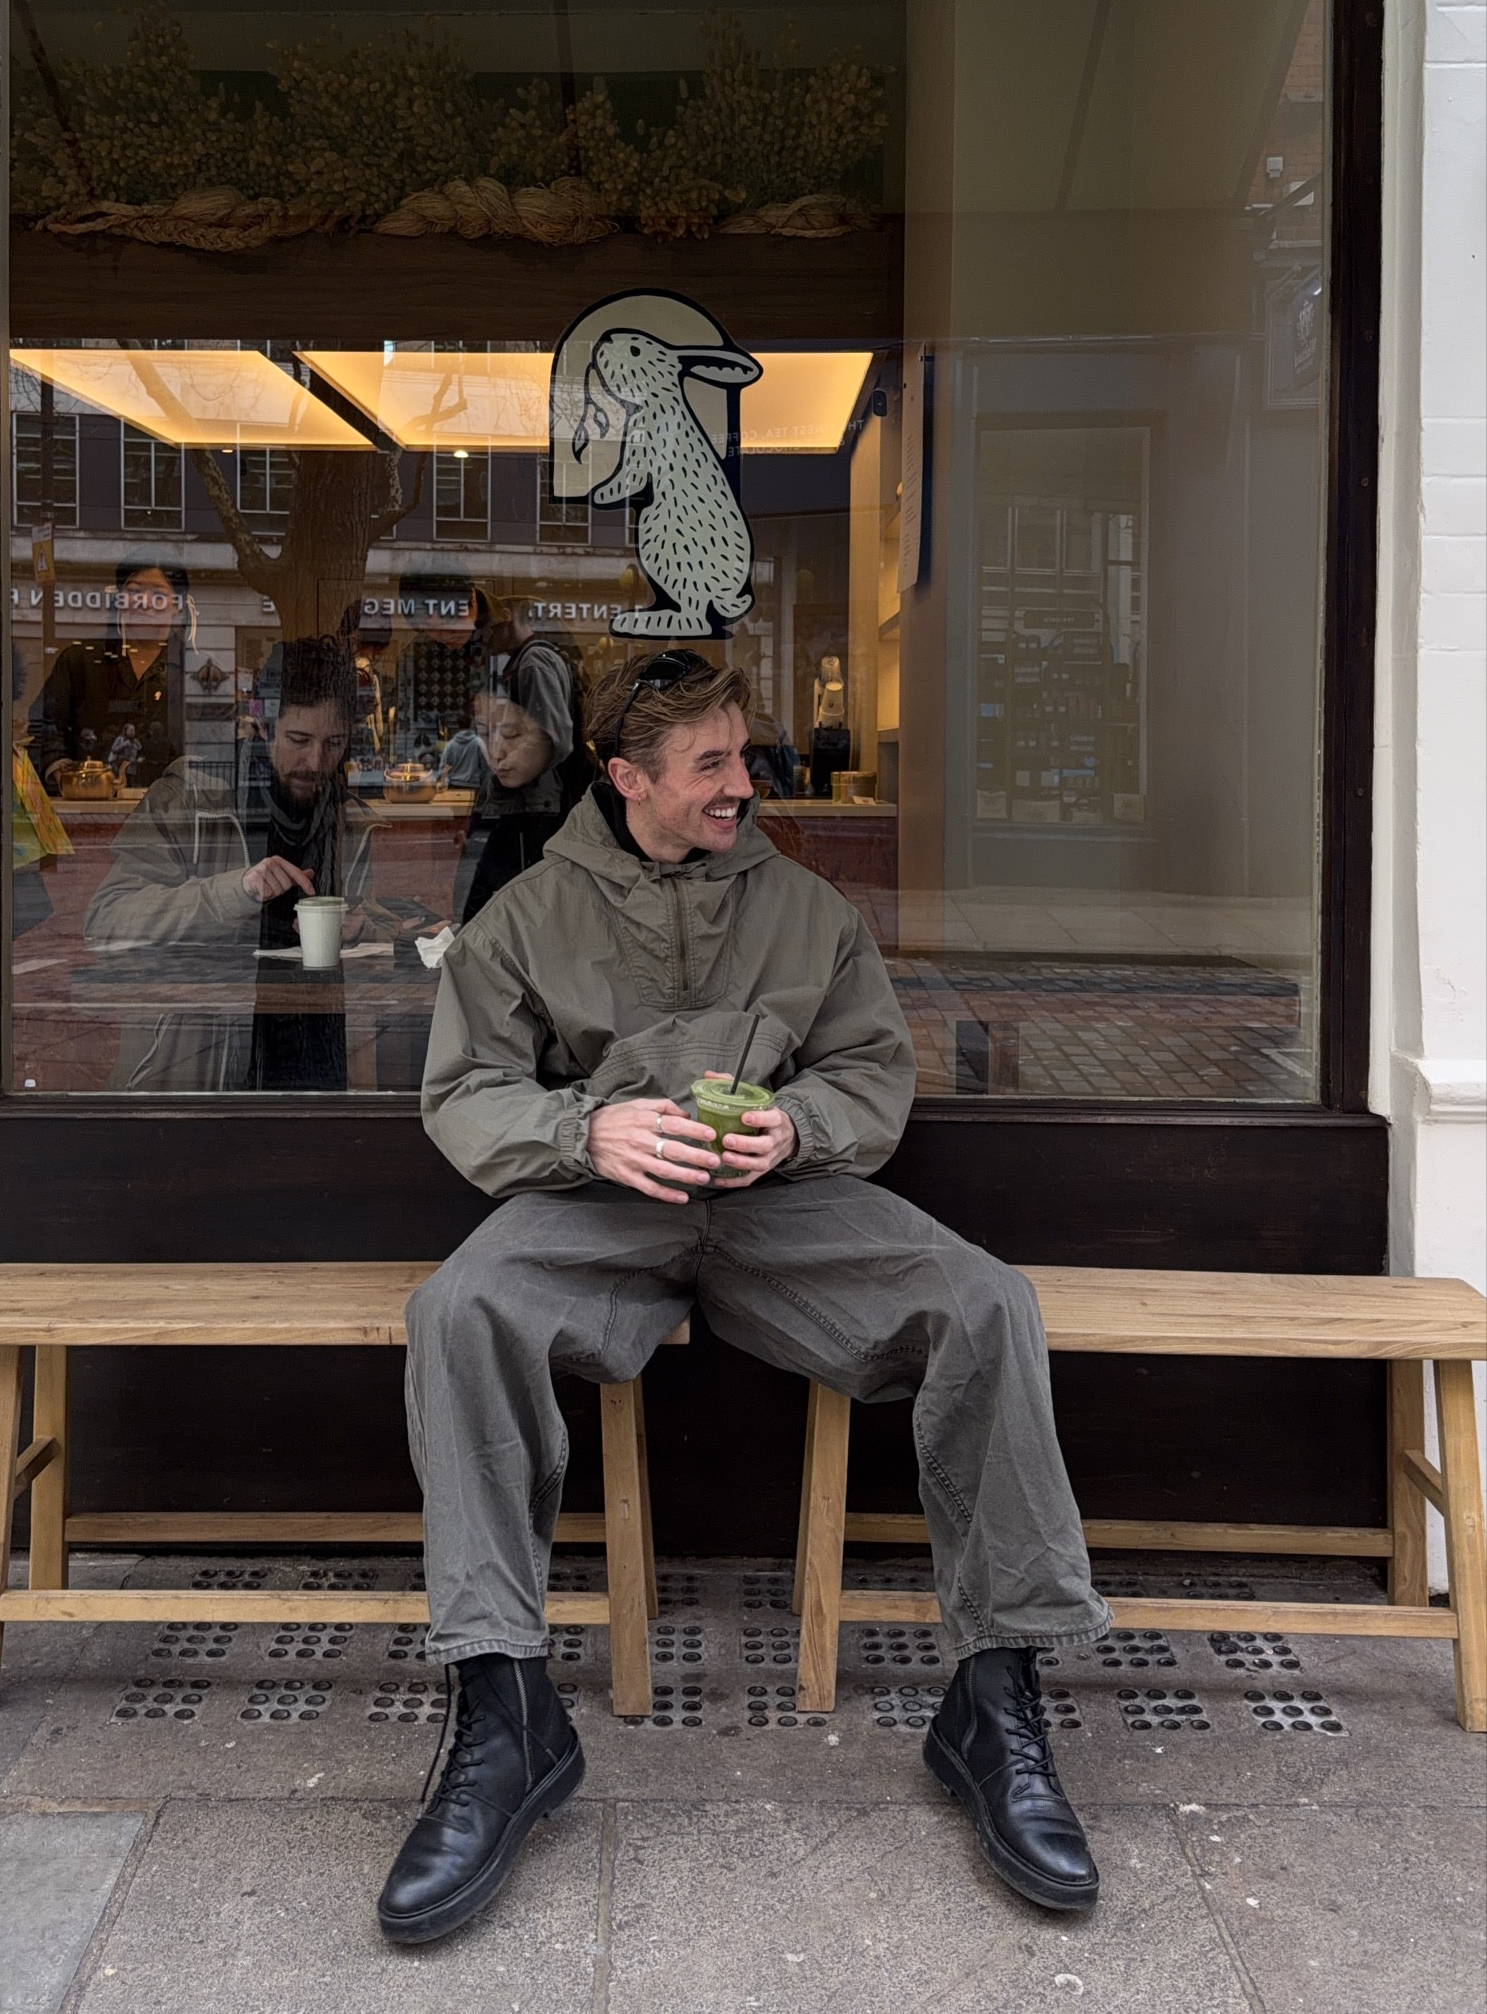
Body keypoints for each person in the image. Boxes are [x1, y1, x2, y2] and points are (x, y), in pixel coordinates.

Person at [379, 649, 1111, 1945]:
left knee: (983, 1300)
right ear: (625, 779)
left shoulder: (804, 909)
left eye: (742, 754)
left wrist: (794, 1123)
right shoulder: (530, 915)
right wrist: (584, 1136)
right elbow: (467, 1090)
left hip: (782, 1208)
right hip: (600, 1208)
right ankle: (501, 1712)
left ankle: (995, 1698)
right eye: (709, 764)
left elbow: (873, 1074)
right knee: (457, 1310)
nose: (742, 782)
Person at [85, 637, 392, 1091]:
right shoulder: (188, 797)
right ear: (263, 723)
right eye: (298, 740)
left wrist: (364, 928)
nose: (315, 761)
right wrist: (237, 891)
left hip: (315, 1059)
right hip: (197, 1068)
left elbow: (389, 934)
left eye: (334, 743)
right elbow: (105, 922)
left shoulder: (353, 824)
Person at [455, 598, 591, 922]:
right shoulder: (530, 659)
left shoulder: (534, 662)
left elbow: (552, 736)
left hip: (536, 805)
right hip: (533, 802)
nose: (483, 637)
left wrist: (509, 766)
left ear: (505, 618)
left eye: (485, 628)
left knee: (499, 900)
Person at [31, 553, 191, 790]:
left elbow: (213, 748)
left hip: (172, 814)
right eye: (134, 591)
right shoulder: (80, 660)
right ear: (120, 599)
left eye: (158, 594)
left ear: (177, 604)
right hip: (89, 811)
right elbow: (43, 728)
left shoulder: (195, 669)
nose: (144, 602)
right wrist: (69, 777)